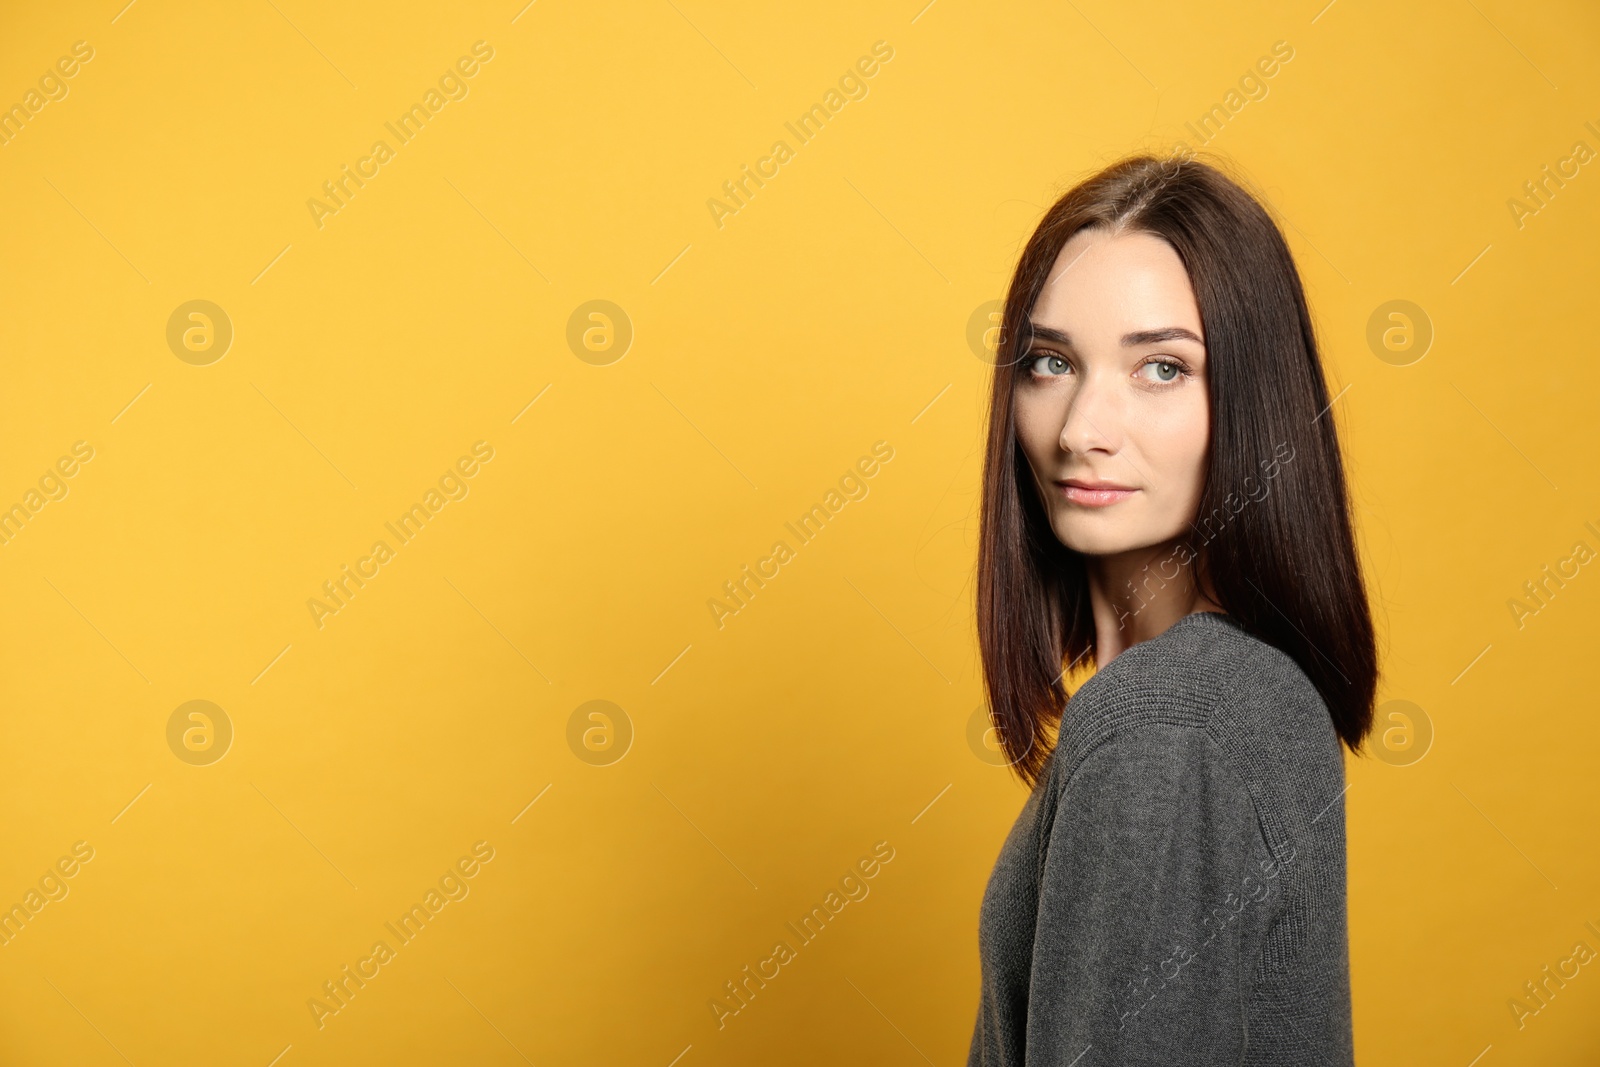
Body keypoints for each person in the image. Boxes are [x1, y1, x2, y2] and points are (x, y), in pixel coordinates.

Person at [966, 151, 1377, 1065]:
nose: (1081, 429)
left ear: (1253, 399)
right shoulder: (1252, 691)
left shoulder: (1164, 723)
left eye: (1160, 368)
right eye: (1049, 362)